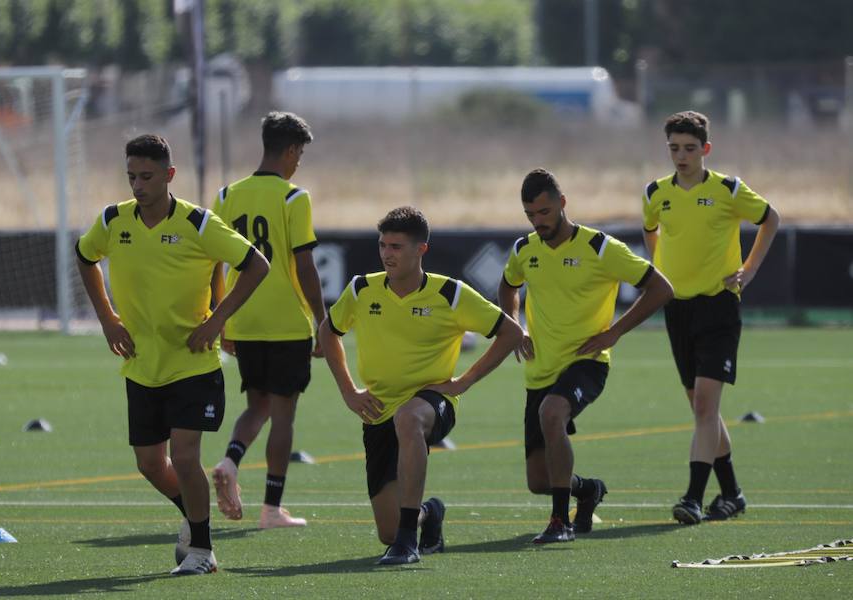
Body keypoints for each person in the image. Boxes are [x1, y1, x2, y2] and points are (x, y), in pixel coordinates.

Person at [75, 134, 270, 575]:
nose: (137, 186)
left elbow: (256, 264)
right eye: (131, 177)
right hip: (142, 363)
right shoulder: (112, 221)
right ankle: (194, 514)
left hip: (193, 361)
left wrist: (217, 321)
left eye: (146, 176)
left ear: (169, 175)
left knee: (184, 457)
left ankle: (202, 552)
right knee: (149, 464)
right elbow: (85, 256)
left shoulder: (199, 224)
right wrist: (107, 318)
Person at [318, 206, 522, 565]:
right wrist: (349, 392)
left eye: (396, 246)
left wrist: (465, 381)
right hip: (377, 409)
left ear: (420, 250)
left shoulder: (451, 294)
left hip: (431, 403)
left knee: (409, 418)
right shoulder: (362, 289)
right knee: (386, 529)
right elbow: (327, 332)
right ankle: (426, 515)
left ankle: (408, 541)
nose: (386, 253)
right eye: (383, 245)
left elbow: (510, 332)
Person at [499, 169, 673, 543]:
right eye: (530, 215)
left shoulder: (600, 248)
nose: (538, 221)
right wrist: (515, 327)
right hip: (539, 369)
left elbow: (661, 288)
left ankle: (560, 523)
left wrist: (615, 332)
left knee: (552, 412)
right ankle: (587, 490)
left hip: (587, 362)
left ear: (562, 204)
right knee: (538, 481)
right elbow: (507, 286)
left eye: (544, 212)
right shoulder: (524, 250)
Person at [642, 111, 780, 525]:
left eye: (688, 148)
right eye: (673, 148)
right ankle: (733, 493)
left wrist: (749, 270)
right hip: (677, 309)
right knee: (703, 409)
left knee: (705, 405)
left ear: (705, 149)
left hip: (718, 305)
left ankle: (693, 498)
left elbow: (771, 219)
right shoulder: (655, 193)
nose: (680, 156)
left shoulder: (728, 189)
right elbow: (650, 229)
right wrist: (660, 268)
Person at [209, 111, 325, 529]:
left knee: (255, 404)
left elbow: (216, 266)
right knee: (283, 413)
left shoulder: (225, 196)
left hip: (243, 320)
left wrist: (221, 319)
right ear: (291, 149)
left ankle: (230, 460)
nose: (299, 163)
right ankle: (272, 508)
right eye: (300, 154)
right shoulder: (295, 198)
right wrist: (322, 320)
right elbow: (306, 265)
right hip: (287, 323)